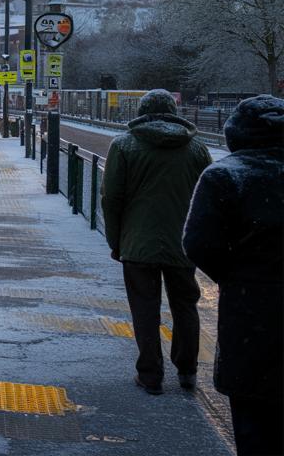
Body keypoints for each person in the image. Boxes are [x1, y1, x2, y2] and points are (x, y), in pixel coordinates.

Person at [183, 95, 283, 455]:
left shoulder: (225, 176)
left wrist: (239, 277)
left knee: (254, 422)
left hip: (250, 317)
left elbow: (197, 243)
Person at [102, 89, 212, 395]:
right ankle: (188, 371)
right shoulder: (197, 149)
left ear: (141, 111)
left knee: (144, 308)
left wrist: (116, 241)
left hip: (138, 244)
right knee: (185, 306)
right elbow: (207, 199)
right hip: (182, 243)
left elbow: (111, 198)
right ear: (173, 112)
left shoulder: (123, 145)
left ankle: (150, 375)